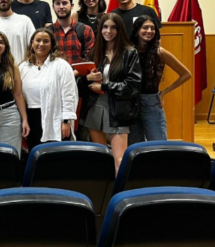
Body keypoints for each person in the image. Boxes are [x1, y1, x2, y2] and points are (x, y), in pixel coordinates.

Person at [78, 13, 142, 172]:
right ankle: (105, 194)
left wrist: (105, 86)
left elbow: (133, 86)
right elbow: (81, 84)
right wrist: (88, 78)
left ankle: (119, 194)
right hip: (95, 107)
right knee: (101, 159)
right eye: (105, 27)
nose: (109, 31)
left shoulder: (129, 53)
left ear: (120, 30)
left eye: (113, 27)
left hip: (118, 109)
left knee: (119, 160)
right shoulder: (94, 52)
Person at [128, 15, 191, 144]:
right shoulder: (128, 51)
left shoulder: (159, 52)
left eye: (153, 28)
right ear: (137, 30)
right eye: (145, 27)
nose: (149, 31)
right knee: (134, 146)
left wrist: (163, 92)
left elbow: (186, 74)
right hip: (130, 103)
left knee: (158, 144)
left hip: (151, 102)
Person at [19, 28, 78, 151]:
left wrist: (66, 121)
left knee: (56, 156)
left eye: (46, 41)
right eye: (38, 40)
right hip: (31, 118)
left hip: (55, 117)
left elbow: (69, 94)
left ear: (52, 45)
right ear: (32, 43)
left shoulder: (61, 65)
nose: (41, 44)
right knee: (36, 154)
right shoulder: (23, 67)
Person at [51, 0, 94, 66]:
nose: (61, 7)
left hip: (79, 76)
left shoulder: (85, 30)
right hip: (55, 77)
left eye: (64, 3)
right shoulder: (48, 32)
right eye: (58, 3)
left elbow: (89, 59)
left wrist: (71, 75)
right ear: (53, 7)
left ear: (72, 5)